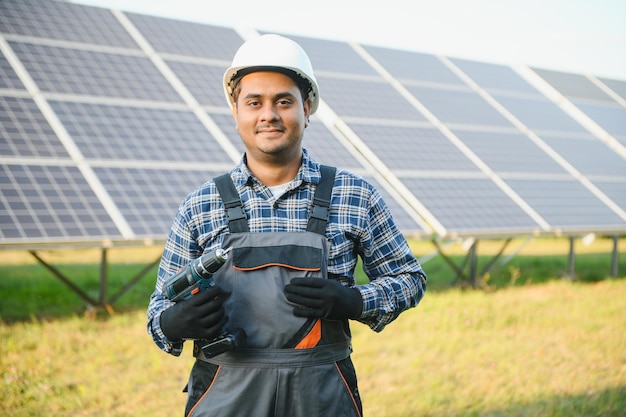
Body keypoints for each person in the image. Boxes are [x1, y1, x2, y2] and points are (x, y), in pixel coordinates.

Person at [147, 34, 427, 417]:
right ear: (236, 111)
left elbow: (410, 278)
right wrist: (173, 322)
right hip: (225, 392)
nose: (269, 115)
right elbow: (158, 310)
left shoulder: (355, 195)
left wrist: (356, 301)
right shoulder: (200, 205)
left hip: (321, 394)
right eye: (254, 102)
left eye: (284, 101)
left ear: (307, 108)